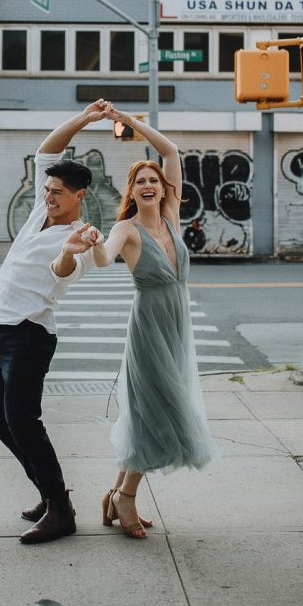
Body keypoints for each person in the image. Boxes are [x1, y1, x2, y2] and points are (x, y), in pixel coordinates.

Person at [89, 106, 220, 539]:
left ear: (163, 189)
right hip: (148, 328)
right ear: (132, 190)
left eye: (153, 180)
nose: (148, 185)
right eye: (139, 181)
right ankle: (126, 497)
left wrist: (128, 119)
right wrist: (90, 244)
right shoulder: (126, 229)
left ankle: (114, 495)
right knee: (159, 412)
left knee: (153, 411)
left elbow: (169, 149)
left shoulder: (172, 218)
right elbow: (106, 259)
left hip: (176, 325)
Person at [0, 99, 110, 545]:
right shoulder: (42, 211)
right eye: (48, 189)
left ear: (79, 197)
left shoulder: (84, 238)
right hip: (0, 329)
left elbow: (62, 273)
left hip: (30, 336)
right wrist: (84, 118)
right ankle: (49, 490)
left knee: (22, 420)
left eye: (57, 192)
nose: (49, 196)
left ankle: (61, 512)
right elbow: (47, 151)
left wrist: (67, 250)